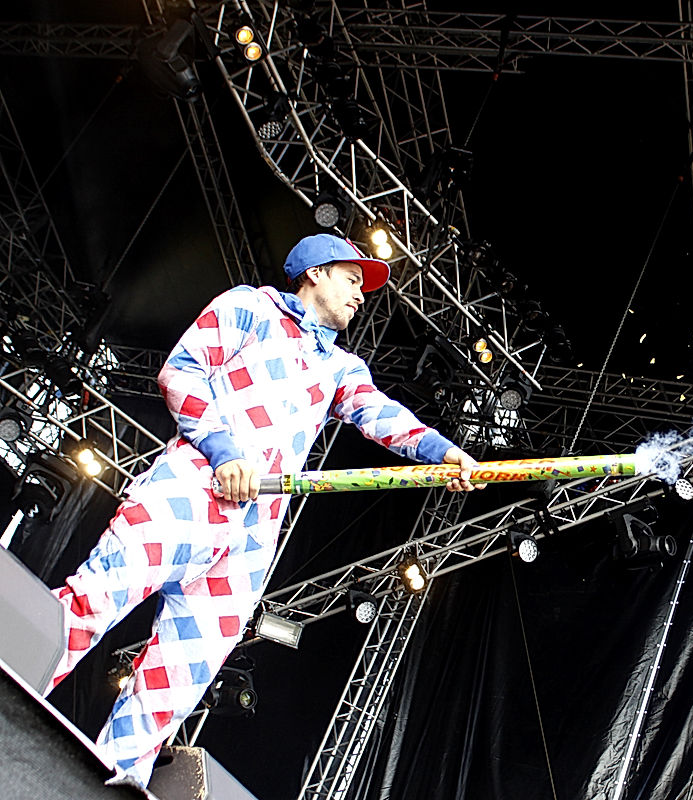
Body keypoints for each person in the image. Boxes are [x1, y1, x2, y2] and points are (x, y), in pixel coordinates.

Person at [44, 233, 483, 790]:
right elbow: (180, 372)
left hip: (253, 535)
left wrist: (443, 453)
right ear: (315, 272)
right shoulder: (250, 307)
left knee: (181, 676)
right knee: (92, 602)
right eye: (353, 279)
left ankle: (108, 781)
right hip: (190, 489)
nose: (361, 295)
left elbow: (379, 414)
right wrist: (225, 452)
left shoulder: (341, 367)